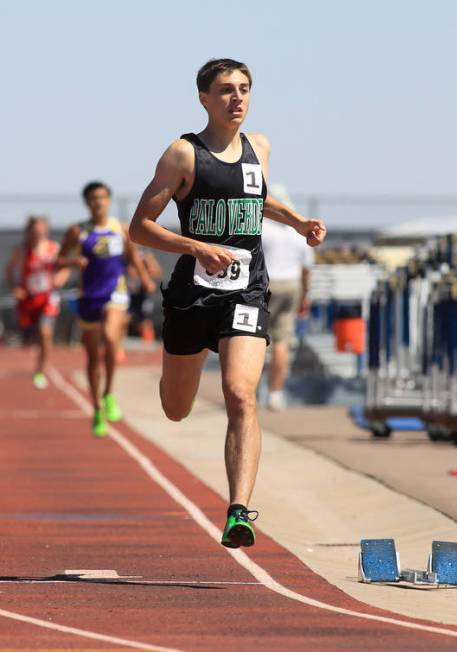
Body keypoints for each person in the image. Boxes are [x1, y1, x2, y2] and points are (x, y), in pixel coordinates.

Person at [128, 58, 326, 548]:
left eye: (244, 89)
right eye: (224, 90)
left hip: (247, 290)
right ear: (204, 99)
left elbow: (256, 201)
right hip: (192, 295)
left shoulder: (260, 148)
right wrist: (195, 247)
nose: (236, 98)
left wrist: (298, 221)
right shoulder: (183, 155)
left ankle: (239, 510)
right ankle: (180, 365)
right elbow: (139, 227)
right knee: (176, 409)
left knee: (241, 393)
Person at [58, 181, 155, 437]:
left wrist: (144, 279)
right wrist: (72, 261)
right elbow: (57, 260)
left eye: (102, 197)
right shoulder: (77, 231)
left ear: (108, 200)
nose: (98, 202)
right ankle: (97, 408)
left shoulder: (120, 229)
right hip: (89, 296)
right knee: (91, 359)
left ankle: (109, 392)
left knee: (112, 338)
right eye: (93, 198)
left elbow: (134, 257)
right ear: (87, 202)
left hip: (116, 292)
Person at [259, 184, 314, 411]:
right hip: (292, 285)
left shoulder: (262, 228)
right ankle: (275, 393)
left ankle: (251, 389)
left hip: (265, 285)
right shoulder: (297, 232)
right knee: (282, 342)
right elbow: (306, 268)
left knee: (255, 340)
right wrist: (304, 296)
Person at [5, 215, 69, 389]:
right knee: (30, 338)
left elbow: (65, 268)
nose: (37, 234)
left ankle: (40, 370)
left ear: (45, 231)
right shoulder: (21, 250)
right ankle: (36, 348)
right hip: (28, 299)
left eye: (41, 230)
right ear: (29, 231)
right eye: (34, 231)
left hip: (48, 298)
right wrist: (14, 288)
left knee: (45, 332)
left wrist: (59, 279)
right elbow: (9, 270)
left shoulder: (53, 248)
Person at [127, 246, 162, 342]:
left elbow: (157, 272)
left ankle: (148, 348)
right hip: (126, 291)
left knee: (145, 321)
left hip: (141, 292)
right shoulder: (124, 249)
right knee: (123, 319)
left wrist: (146, 276)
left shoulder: (145, 253)